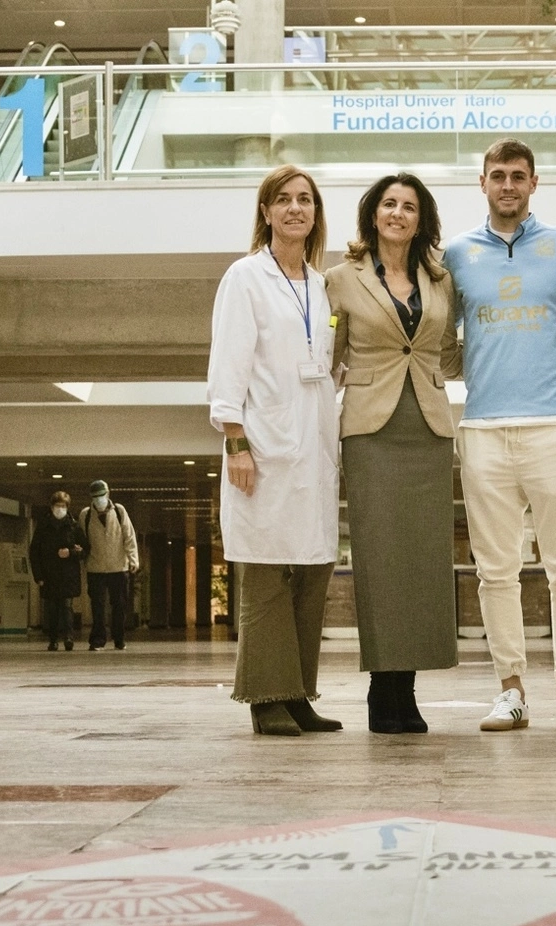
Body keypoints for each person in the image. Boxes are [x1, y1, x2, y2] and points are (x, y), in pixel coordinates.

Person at [444, 138, 556, 732]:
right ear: (482, 183)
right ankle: (510, 690)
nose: (508, 185)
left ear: (535, 183)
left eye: (518, 176)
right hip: (482, 427)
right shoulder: (455, 254)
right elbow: (438, 331)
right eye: (498, 175)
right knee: (494, 570)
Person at [208, 164, 343, 735]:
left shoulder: (319, 284)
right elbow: (228, 364)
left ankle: (298, 693)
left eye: (305, 200)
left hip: (314, 446)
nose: (295, 209)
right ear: (265, 213)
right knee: (265, 575)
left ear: (316, 213)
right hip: (261, 448)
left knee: (311, 572)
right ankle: (267, 699)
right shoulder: (245, 277)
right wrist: (235, 440)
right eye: (282, 200)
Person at [326, 172, 462, 734]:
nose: (398, 214)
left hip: (428, 427)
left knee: (424, 564)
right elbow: (325, 358)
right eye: (389, 204)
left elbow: (448, 355)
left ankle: (407, 689)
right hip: (369, 430)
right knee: (380, 562)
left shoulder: (441, 279)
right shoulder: (339, 278)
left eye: (409, 206)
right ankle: (383, 691)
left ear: (420, 219)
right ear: (372, 214)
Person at [79, 480, 139, 651]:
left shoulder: (119, 511)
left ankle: (119, 638)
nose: (99, 499)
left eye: (101, 496)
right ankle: (98, 640)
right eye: (95, 497)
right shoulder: (86, 514)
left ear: (108, 494)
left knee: (119, 605)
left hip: (118, 567)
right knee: (97, 605)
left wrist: (133, 559)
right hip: (95, 567)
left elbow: (129, 536)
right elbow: (83, 539)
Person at [29, 490, 85, 651]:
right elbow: (35, 552)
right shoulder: (43, 527)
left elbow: (85, 549)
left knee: (67, 606)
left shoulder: (73, 527)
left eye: (63, 506)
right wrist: (38, 575)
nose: (60, 509)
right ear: (52, 507)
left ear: (67, 507)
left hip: (68, 574)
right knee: (52, 608)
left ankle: (69, 637)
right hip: (49, 574)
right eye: (57, 505)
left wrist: (72, 552)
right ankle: (53, 639)